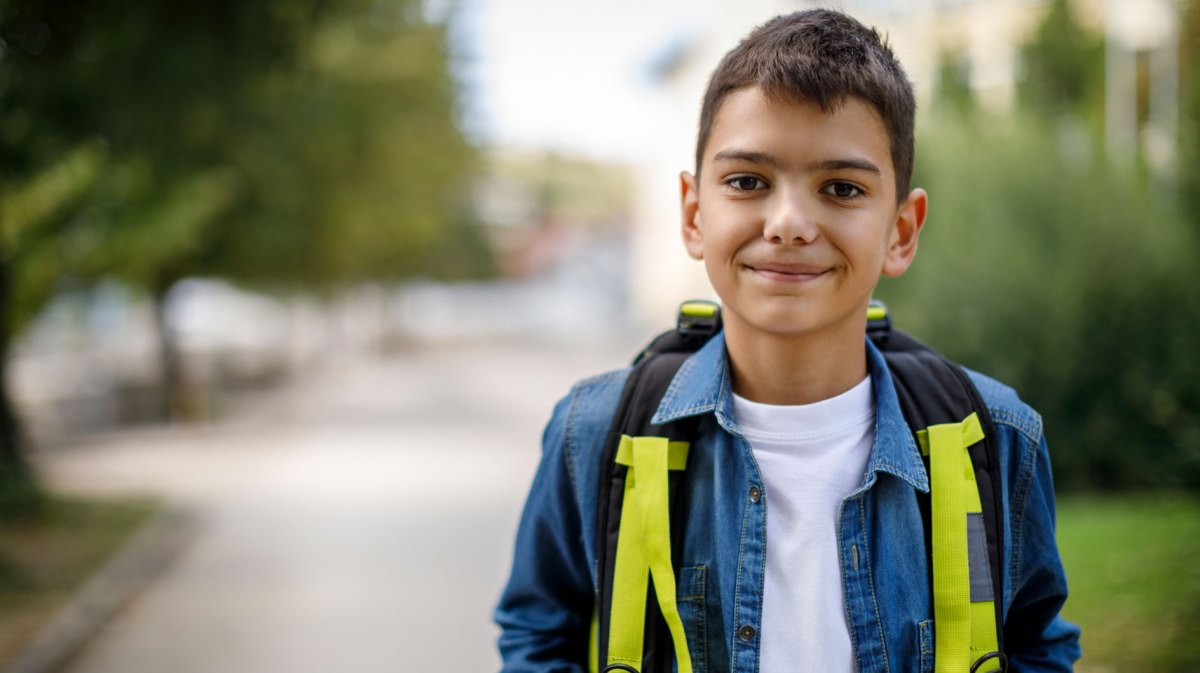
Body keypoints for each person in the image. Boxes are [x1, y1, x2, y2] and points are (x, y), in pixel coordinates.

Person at [495, 9, 1081, 673]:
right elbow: (539, 637)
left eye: (841, 187)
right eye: (748, 181)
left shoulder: (996, 435)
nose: (790, 223)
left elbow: (1036, 642)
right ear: (694, 214)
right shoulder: (593, 433)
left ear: (902, 229)